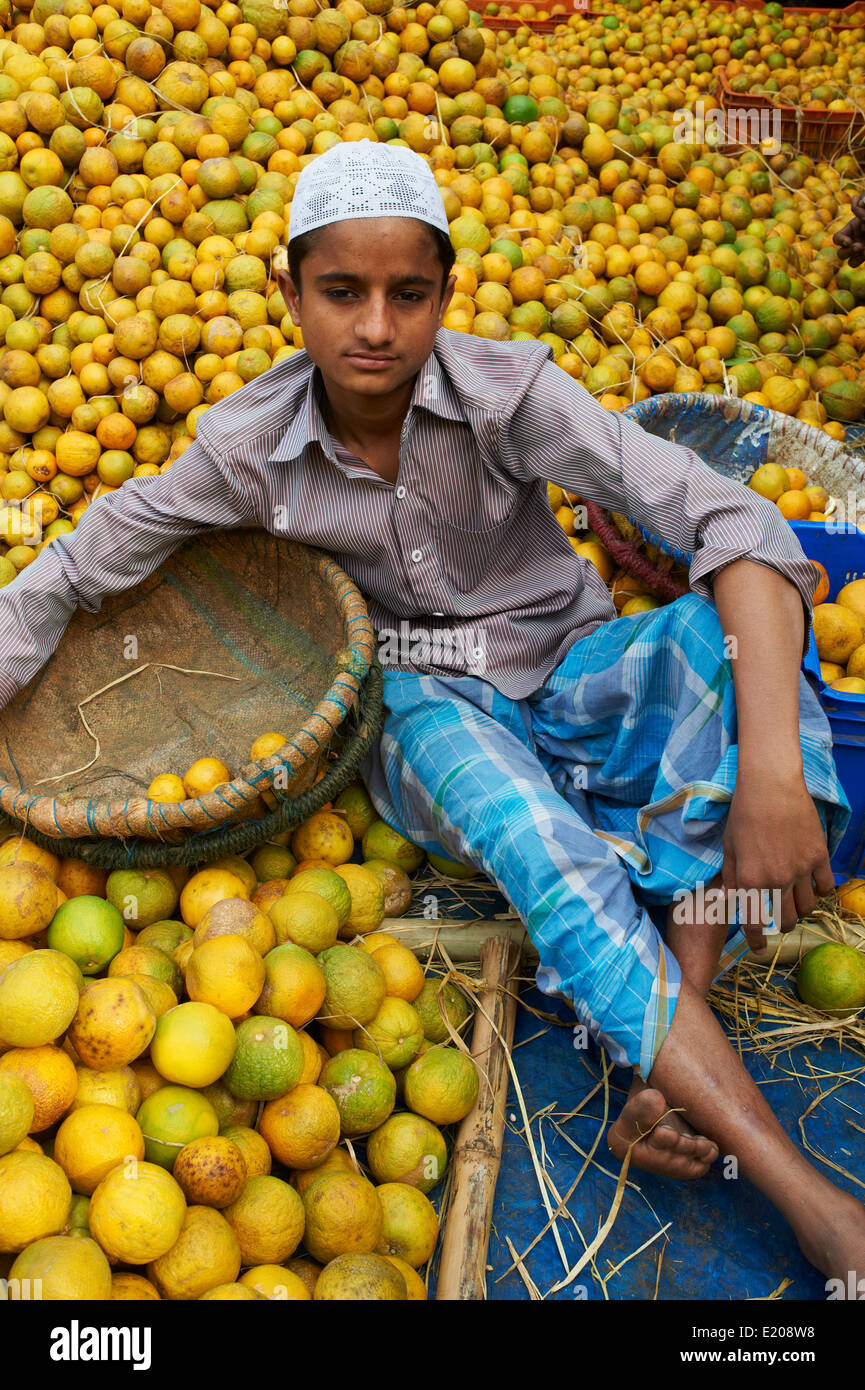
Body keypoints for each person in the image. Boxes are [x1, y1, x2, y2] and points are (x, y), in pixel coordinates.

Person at [0, 140, 862, 1289]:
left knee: (731, 643)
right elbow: (72, 571)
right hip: (415, 699)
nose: (375, 326)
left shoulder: (509, 393)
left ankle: (672, 1038)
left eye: (409, 294)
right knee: (531, 835)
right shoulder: (245, 451)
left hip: (565, 666)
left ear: (445, 295)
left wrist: (765, 770)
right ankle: (800, 1189)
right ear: (288, 293)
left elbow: (736, 524)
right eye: (341, 292)